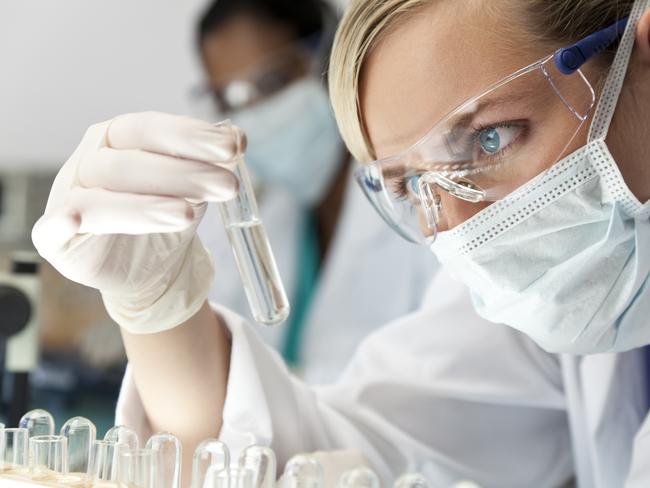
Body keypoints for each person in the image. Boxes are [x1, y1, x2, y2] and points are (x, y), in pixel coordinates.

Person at [31, 0, 650, 486]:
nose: (459, 227)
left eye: (490, 140)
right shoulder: (559, 290)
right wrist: (158, 310)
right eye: (410, 185)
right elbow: (347, 461)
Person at [193, 0, 436, 382]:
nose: (257, 115)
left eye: (272, 82)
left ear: (327, 58)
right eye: (229, 99)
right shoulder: (267, 214)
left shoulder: (419, 197)